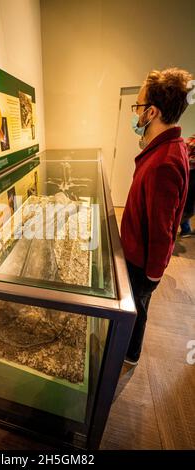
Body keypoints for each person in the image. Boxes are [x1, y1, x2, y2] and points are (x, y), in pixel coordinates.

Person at [121, 68, 192, 365]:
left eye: (137, 106)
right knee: (138, 307)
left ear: (151, 112)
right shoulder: (167, 149)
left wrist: (152, 276)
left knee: (137, 310)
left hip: (141, 263)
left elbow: (162, 230)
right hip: (137, 252)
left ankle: (128, 355)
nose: (135, 113)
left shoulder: (165, 161)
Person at [179, 134, 195, 237]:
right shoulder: (191, 141)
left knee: (187, 203)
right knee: (187, 205)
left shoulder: (191, 139)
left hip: (190, 172)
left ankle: (186, 229)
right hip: (192, 173)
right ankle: (185, 229)